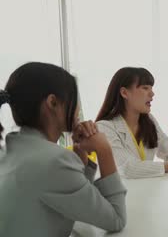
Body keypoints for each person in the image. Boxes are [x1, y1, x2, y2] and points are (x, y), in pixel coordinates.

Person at [0, 62, 126, 237]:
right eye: (75, 100)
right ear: (52, 102)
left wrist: (80, 153)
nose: (79, 110)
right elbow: (116, 219)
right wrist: (104, 150)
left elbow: (76, 199)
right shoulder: (53, 160)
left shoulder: (10, 150)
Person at [96, 67, 168, 179]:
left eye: (151, 88)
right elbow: (128, 168)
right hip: (121, 194)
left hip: (147, 190)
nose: (152, 94)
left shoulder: (149, 120)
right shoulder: (104, 127)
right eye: (145, 88)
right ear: (124, 93)